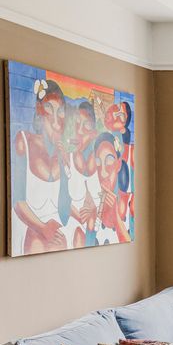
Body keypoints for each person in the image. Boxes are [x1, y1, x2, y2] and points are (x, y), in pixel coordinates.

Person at [11, 79, 69, 254]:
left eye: (60, 110)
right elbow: (17, 201)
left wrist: (66, 169)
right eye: (49, 107)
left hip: (55, 235)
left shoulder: (62, 154)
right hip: (29, 229)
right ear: (39, 109)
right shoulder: (24, 141)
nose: (55, 116)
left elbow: (64, 213)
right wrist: (43, 228)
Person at [65, 100, 100, 248]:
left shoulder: (102, 162)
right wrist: (81, 217)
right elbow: (61, 204)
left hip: (96, 232)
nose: (79, 131)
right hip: (73, 232)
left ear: (93, 133)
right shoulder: (67, 159)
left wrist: (94, 212)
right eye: (77, 123)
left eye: (85, 125)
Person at [92, 132, 131, 244]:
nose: (103, 172)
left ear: (118, 164)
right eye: (98, 162)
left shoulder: (129, 203)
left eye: (109, 160)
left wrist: (116, 215)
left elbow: (128, 245)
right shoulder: (96, 206)